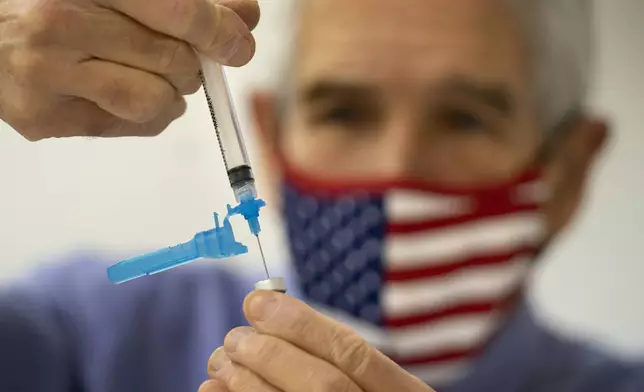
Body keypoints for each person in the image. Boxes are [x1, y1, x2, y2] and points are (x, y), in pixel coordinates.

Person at [0, 0, 642, 391]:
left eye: (465, 119)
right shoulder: (89, 338)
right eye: (345, 114)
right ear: (273, 148)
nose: (397, 169)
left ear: (567, 171)